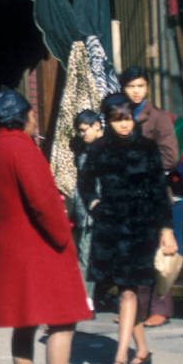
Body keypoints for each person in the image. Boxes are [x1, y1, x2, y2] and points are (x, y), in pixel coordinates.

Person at [0, 89, 90, 364]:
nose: (35, 120)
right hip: (38, 247)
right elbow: (43, 204)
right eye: (32, 114)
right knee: (63, 320)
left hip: (9, 245)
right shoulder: (24, 148)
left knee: (24, 321)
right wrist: (62, 236)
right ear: (22, 116)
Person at [79, 93, 178, 364]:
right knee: (126, 290)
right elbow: (85, 182)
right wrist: (94, 205)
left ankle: (119, 358)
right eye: (117, 119)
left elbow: (159, 191)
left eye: (127, 118)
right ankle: (142, 350)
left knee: (128, 291)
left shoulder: (147, 148)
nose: (124, 124)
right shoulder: (99, 149)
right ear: (107, 121)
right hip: (111, 227)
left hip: (141, 228)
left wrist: (167, 230)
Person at [118, 67, 180, 327]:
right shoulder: (118, 115)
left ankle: (160, 308)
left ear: (147, 88)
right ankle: (137, 309)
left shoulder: (158, 118)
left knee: (158, 249)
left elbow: (171, 156)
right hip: (125, 192)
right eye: (132, 86)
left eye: (141, 86)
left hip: (152, 190)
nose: (136, 91)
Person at [71, 108, 102, 299]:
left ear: (97, 126)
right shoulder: (84, 150)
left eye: (85, 130)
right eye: (80, 131)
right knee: (87, 254)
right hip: (88, 213)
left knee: (89, 255)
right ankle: (86, 299)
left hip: (102, 209)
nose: (83, 135)